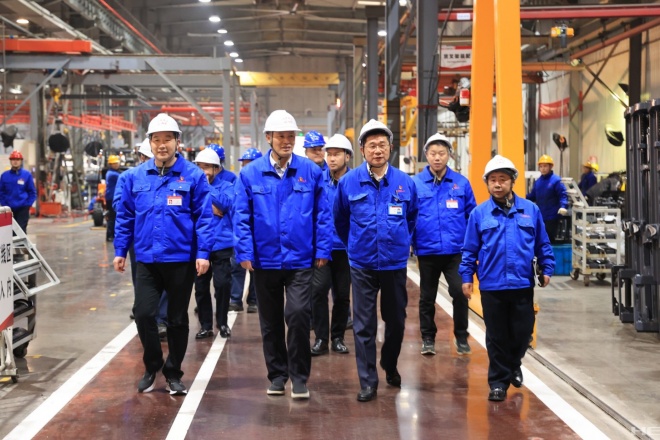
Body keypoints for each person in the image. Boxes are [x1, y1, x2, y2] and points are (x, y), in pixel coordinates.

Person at [233, 109, 333, 400]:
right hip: (265, 259)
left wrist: (323, 248)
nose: (287, 141)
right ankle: (277, 375)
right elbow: (241, 216)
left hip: (300, 258)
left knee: (299, 314)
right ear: (269, 137)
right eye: (281, 136)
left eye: (291, 136)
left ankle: (299, 377)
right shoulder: (250, 173)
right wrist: (244, 250)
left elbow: (323, 214)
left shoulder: (310, 171)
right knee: (271, 321)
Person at [113, 113, 213, 396]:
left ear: (177, 142)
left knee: (177, 319)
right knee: (144, 313)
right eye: (156, 139)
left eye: (167, 139)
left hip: (180, 259)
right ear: (150, 143)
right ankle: (152, 364)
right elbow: (125, 216)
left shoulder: (193, 175)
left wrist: (203, 253)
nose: (162, 145)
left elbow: (204, 218)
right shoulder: (135, 177)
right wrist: (120, 250)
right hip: (147, 258)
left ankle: (173, 372)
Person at [334, 119, 418, 402]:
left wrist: (401, 241)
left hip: (394, 263)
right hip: (362, 264)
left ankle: (389, 364)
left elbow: (412, 218)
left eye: (382, 145)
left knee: (396, 322)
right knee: (363, 325)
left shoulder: (405, 183)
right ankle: (368, 380)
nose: (377, 150)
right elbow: (340, 220)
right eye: (372, 145)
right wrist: (354, 245)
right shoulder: (348, 183)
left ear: (390, 148)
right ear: (362, 150)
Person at [459, 155, 555, 402]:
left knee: (523, 333)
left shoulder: (530, 210)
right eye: (493, 180)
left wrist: (547, 267)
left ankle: (513, 364)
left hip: (522, 282)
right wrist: (466, 276)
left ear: (512, 182)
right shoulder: (479, 214)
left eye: (502, 179)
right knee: (496, 336)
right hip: (492, 284)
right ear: (487, 183)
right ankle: (498, 383)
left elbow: (542, 243)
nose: (498, 184)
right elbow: (469, 249)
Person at [412, 133, 476, 357]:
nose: (437, 158)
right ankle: (428, 338)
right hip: (427, 250)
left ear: (449, 155)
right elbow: (409, 217)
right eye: (433, 153)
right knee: (427, 297)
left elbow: (472, 217)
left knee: (460, 292)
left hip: (455, 251)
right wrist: (411, 244)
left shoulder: (461, 183)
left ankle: (461, 335)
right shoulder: (415, 184)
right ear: (426, 155)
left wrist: (472, 248)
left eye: (441, 153)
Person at [116, 139, 168, 339]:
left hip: (165, 238)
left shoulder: (170, 175)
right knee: (142, 277)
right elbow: (121, 207)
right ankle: (143, 308)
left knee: (165, 279)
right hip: (140, 238)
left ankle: (161, 318)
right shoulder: (129, 177)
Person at [310, 134, 353, 356]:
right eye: (329, 154)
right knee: (318, 292)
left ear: (348, 156)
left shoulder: (355, 181)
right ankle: (320, 338)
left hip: (345, 249)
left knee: (342, 295)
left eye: (337, 154)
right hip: (322, 248)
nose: (332, 158)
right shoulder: (318, 179)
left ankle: (337, 337)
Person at [193, 147, 235, 339]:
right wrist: (212, 207)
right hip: (200, 244)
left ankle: (223, 322)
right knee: (201, 288)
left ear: (216, 169)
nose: (203, 172)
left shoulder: (226, 185)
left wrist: (206, 188)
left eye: (207, 168)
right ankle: (206, 325)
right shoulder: (191, 186)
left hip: (221, 243)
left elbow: (226, 204)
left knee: (223, 285)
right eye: (199, 167)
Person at [229, 147, 263, 313]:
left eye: (250, 163)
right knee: (237, 266)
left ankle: (254, 301)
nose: (246, 166)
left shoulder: (264, 181)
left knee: (257, 269)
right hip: (241, 232)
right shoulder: (240, 181)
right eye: (244, 163)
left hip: (259, 235)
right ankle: (235, 300)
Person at [526, 154, 568, 243]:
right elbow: (532, 196)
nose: (543, 168)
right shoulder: (538, 181)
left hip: (552, 216)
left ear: (550, 166)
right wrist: (521, 197)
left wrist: (563, 206)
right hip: (540, 215)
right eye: (541, 166)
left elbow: (562, 195)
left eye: (545, 166)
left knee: (548, 240)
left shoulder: (556, 180)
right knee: (539, 239)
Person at [0, 150, 36, 233]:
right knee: (8, 232)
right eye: (13, 159)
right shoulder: (4, 176)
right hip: (8, 209)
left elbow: (32, 192)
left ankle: (21, 243)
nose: (15, 161)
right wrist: (4, 204)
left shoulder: (27, 175)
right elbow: (1, 191)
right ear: (10, 161)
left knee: (21, 231)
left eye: (17, 159)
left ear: (21, 161)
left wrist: (27, 205)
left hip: (22, 209)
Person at [105, 155, 121, 242]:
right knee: (112, 217)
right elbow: (124, 176)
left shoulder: (112, 173)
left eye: (117, 163)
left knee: (113, 217)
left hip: (111, 197)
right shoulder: (113, 174)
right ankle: (110, 235)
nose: (117, 165)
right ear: (111, 165)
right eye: (115, 163)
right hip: (111, 197)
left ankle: (112, 234)